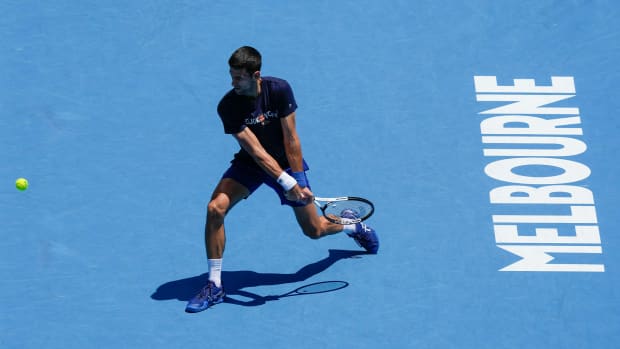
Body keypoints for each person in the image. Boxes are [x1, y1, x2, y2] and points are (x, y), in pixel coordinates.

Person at [185, 46, 379, 313]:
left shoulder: (279, 90)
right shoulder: (228, 106)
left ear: (256, 75)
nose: (233, 83)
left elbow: (291, 139)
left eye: (239, 77)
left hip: (288, 163)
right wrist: (288, 184)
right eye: (231, 76)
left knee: (315, 231)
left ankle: (350, 225)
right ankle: (214, 284)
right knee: (214, 209)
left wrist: (297, 178)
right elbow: (256, 152)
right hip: (250, 165)